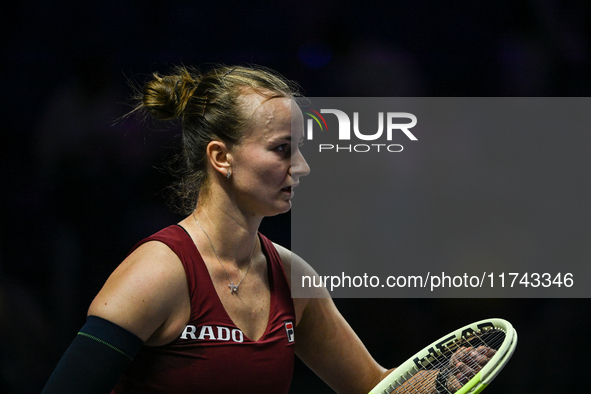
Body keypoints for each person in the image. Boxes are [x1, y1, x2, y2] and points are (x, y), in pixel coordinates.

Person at [42, 64, 489, 394]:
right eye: (281, 149)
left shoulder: (293, 279)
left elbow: (373, 387)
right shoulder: (158, 273)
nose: (303, 166)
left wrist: (446, 378)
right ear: (221, 157)